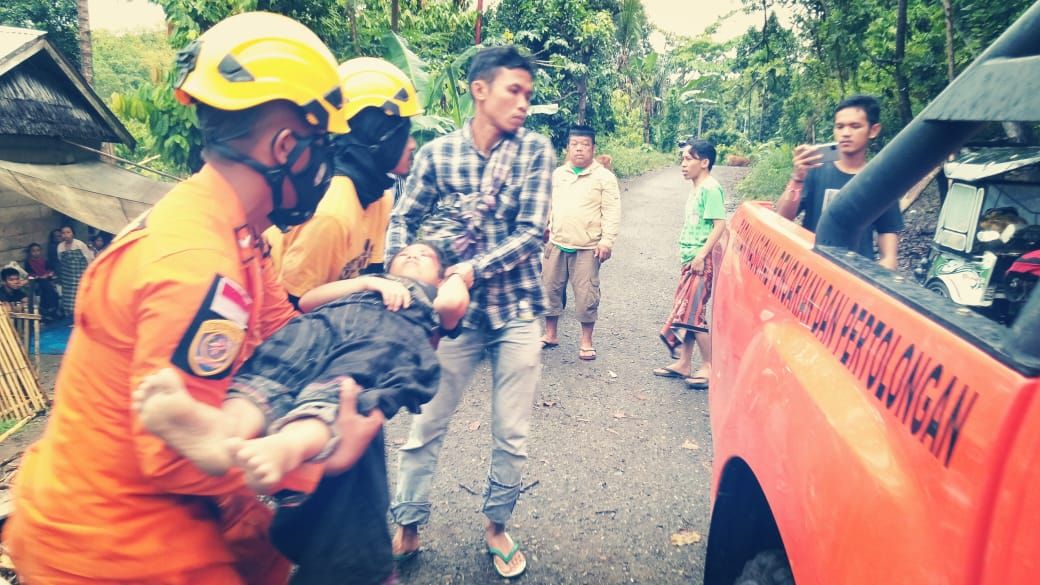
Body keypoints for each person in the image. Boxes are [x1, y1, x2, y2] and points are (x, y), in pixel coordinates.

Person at [1, 12, 370, 585]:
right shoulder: (198, 267)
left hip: (154, 526)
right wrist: (314, 449)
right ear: (286, 146)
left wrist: (356, 314)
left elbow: (281, 336)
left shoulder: (237, 231)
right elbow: (174, 457)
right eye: (322, 147)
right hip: (115, 551)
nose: (327, 170)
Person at [133, 241, 468, 585]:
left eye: (425, 256)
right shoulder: (368, 283)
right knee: (274, 367)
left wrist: (459, 273)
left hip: (384, 339)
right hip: (322, 326)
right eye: (405, 252)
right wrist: (368, 282)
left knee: (339, 392)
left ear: (439, 278)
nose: (412, 255)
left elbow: (453, 302)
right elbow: (308, 301)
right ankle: (223, 431)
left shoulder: (433, 297)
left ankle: (289, 445)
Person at [386, 45, 554, 579]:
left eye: (529, 93)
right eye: (514, 90)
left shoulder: (535, 153)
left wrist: (470, 269)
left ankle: (497, 526)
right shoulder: (437, 156)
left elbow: (531, 233)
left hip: (517, 310)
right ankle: (408, 522)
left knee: (512, 433)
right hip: (449, 315)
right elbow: (403, 218)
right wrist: (401, 274)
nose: (524, 103)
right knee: (426, 421)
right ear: (479, 90)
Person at [268, 57, 421, 307]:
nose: (412, 144)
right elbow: (292, 304)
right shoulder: (332, 214)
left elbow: (371, 271)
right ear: (375, 139)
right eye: (403, 134)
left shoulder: (377, 196)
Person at [775, 95, 903, 269]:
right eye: (840, 127)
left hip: (855, 276)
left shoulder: (881, 181)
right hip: (809, 270)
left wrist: (875, 282)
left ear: (873, 130)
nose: (846, 133)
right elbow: (782, 218)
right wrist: (797, 178)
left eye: (855, 126)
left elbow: (889, 254)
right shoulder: (816, 170)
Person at [541, 124, 621, 360]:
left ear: (593, 148)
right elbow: (549, 204)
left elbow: (612, 211)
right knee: (549, 289)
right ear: (567, 148)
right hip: (556, 243)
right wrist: (544, 226)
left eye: (585, 145)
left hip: (587, 248)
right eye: (574, 144)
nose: (579, 150)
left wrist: (607, 241)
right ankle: (550, 334)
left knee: (586, 296)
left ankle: (586, 341)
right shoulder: (558, 175)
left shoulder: (604, 178)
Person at [653, 140, 727, 390]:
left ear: (704, 162)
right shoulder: (696, 188)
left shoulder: (710, 189)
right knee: (687, 314)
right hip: (690, 260)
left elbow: (720, 225)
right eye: (683, 159)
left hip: (699, 262)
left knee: (694, 316)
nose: (683, 164)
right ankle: (684, 363)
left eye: (689, 159)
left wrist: (701, 256)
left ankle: (709, 366)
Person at [55, 224, 94, 317]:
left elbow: (88, 258)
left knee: (81, 296)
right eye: (63, 233)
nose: (66, 235)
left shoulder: (79, 244)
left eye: (68, 232)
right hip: (67, 277)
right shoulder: (60, 246)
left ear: (73, 234)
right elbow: (60, 259)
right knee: (69, 300)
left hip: (80, 274)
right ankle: (73, 318)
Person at [22, 242, 61, 320]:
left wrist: (48, 274)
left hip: (47, 279)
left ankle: (52, 310)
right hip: (37, 281)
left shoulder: (45, 261)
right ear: (30, 253)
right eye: (33, 251)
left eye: (38, 250)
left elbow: (51, 270)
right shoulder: (28, 263)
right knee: (46, 287)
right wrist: (40, 277)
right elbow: (30, 274)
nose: (36, 253)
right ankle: (49, 311)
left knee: (49, 287)